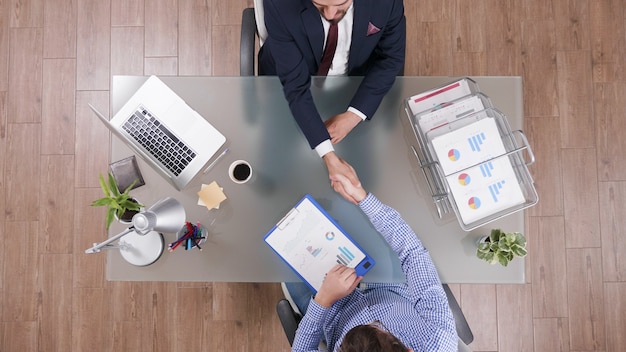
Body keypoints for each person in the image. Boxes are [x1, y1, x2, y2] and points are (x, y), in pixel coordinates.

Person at [286, 173, 458, 351]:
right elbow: (414, 255)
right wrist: (361, 196)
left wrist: (324, 299)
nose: (371, 319)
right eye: (379, 325)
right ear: (409, 350)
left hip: (331, 309)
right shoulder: (438, 341)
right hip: (385, 281)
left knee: (285, 229)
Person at [258, 0, 406, 203]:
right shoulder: (280, 3)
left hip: (356, 87)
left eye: (340, 5)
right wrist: (328, 154)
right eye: (319, 5)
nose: (329, 14)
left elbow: (391, 59)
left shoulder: (385, 3)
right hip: (290, 81)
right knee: (276, 178)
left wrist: (353, 116)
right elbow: (295, 87)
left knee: (368, 179)